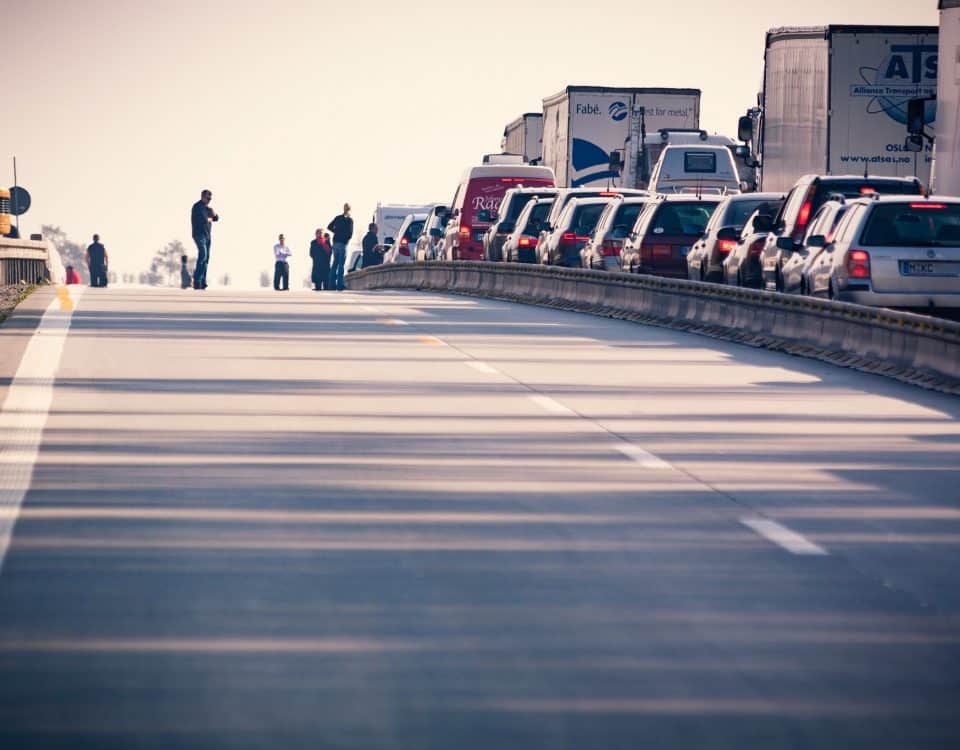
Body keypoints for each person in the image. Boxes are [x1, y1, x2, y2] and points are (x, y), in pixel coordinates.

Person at [191, 189, 219, 290]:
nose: (209, 200)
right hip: (199, 235)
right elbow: (204, 219)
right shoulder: (198, 207)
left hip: (207, 236)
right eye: (207, 198)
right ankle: (197, 280)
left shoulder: (208, 208)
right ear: (202, 197)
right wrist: (211, 217)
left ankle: (202, 282)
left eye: (210, 198)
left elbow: (217, 218)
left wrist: (214, 214)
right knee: (203, 255)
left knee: (206, 259)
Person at [327, 203, 354, 291]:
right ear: (349, 210)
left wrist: (336, 231)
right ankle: (339, 285)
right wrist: (345, 237)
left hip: (335, 242)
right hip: (343, 243)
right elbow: (350, 234)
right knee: (341, 264)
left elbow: (329, 227)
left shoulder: (338, 218)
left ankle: (331, 285)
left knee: (335, 263)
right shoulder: (349, 220)